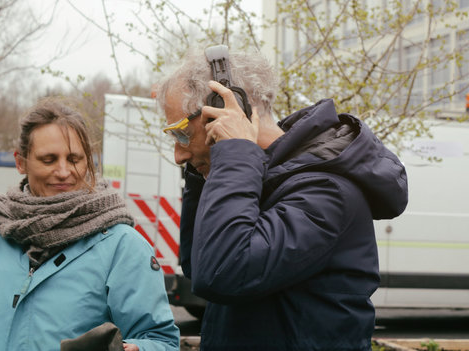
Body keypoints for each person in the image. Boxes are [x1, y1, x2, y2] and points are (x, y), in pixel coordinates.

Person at [156, 45, 408, 351]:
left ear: (231, 106)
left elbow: (223, 273)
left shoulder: (325, 191)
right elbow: (199, 266)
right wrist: (211, 167)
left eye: (181, 133)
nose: (178, 154)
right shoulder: (254, 175)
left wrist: (233, 154)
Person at [0, 99, 179, 351]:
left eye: (75, 159)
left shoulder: (121, 246)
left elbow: (162, 341)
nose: (64, 171)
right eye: (48, 159)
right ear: (20, 161)